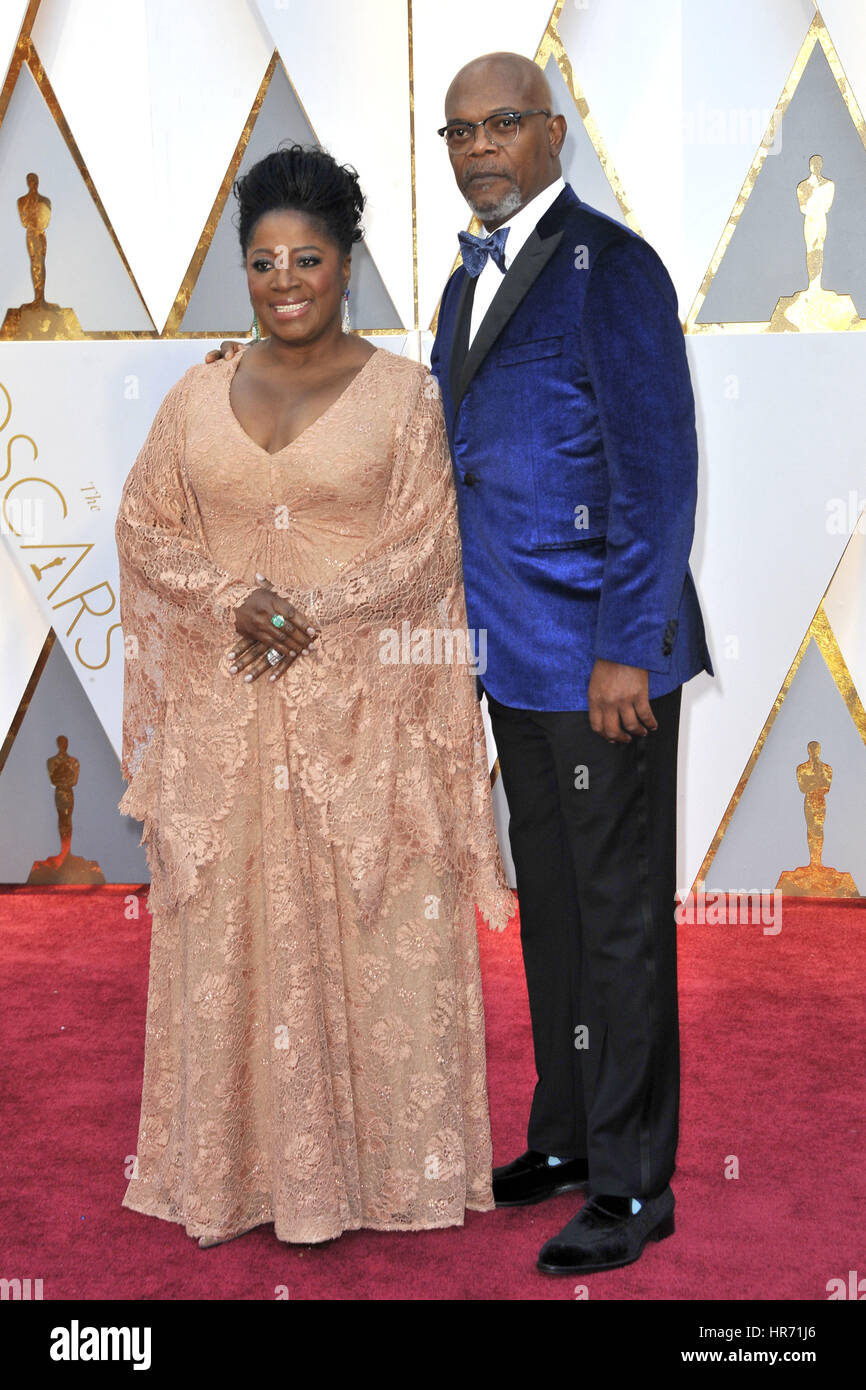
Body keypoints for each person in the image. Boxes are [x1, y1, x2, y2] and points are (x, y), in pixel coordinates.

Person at [115, 144, 513, 1248]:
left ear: (346, 264)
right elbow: (143, 530)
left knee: (375, 928)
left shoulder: (403, 395)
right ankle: (243, 1174)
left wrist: (313, 614)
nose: (283, 280)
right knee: (234, 940)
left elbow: (430, 544)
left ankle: (389, 1170)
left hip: (361, 722)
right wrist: (232, 595)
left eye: (307, 259)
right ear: (243, 270)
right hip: (228, 724)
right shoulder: (195, 396)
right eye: (262, 261)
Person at [429, 53, 712, 1274]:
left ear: (551, 132)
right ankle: (564, 1137)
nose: (479, 146)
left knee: (618, 925)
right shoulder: (461, 281)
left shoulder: (614, 266)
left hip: (600, 667)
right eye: (457, 132)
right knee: (552, 916)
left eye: (501, 124)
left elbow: (656, 469)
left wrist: (626, 652)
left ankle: (634, 1187)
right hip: (509, 659)